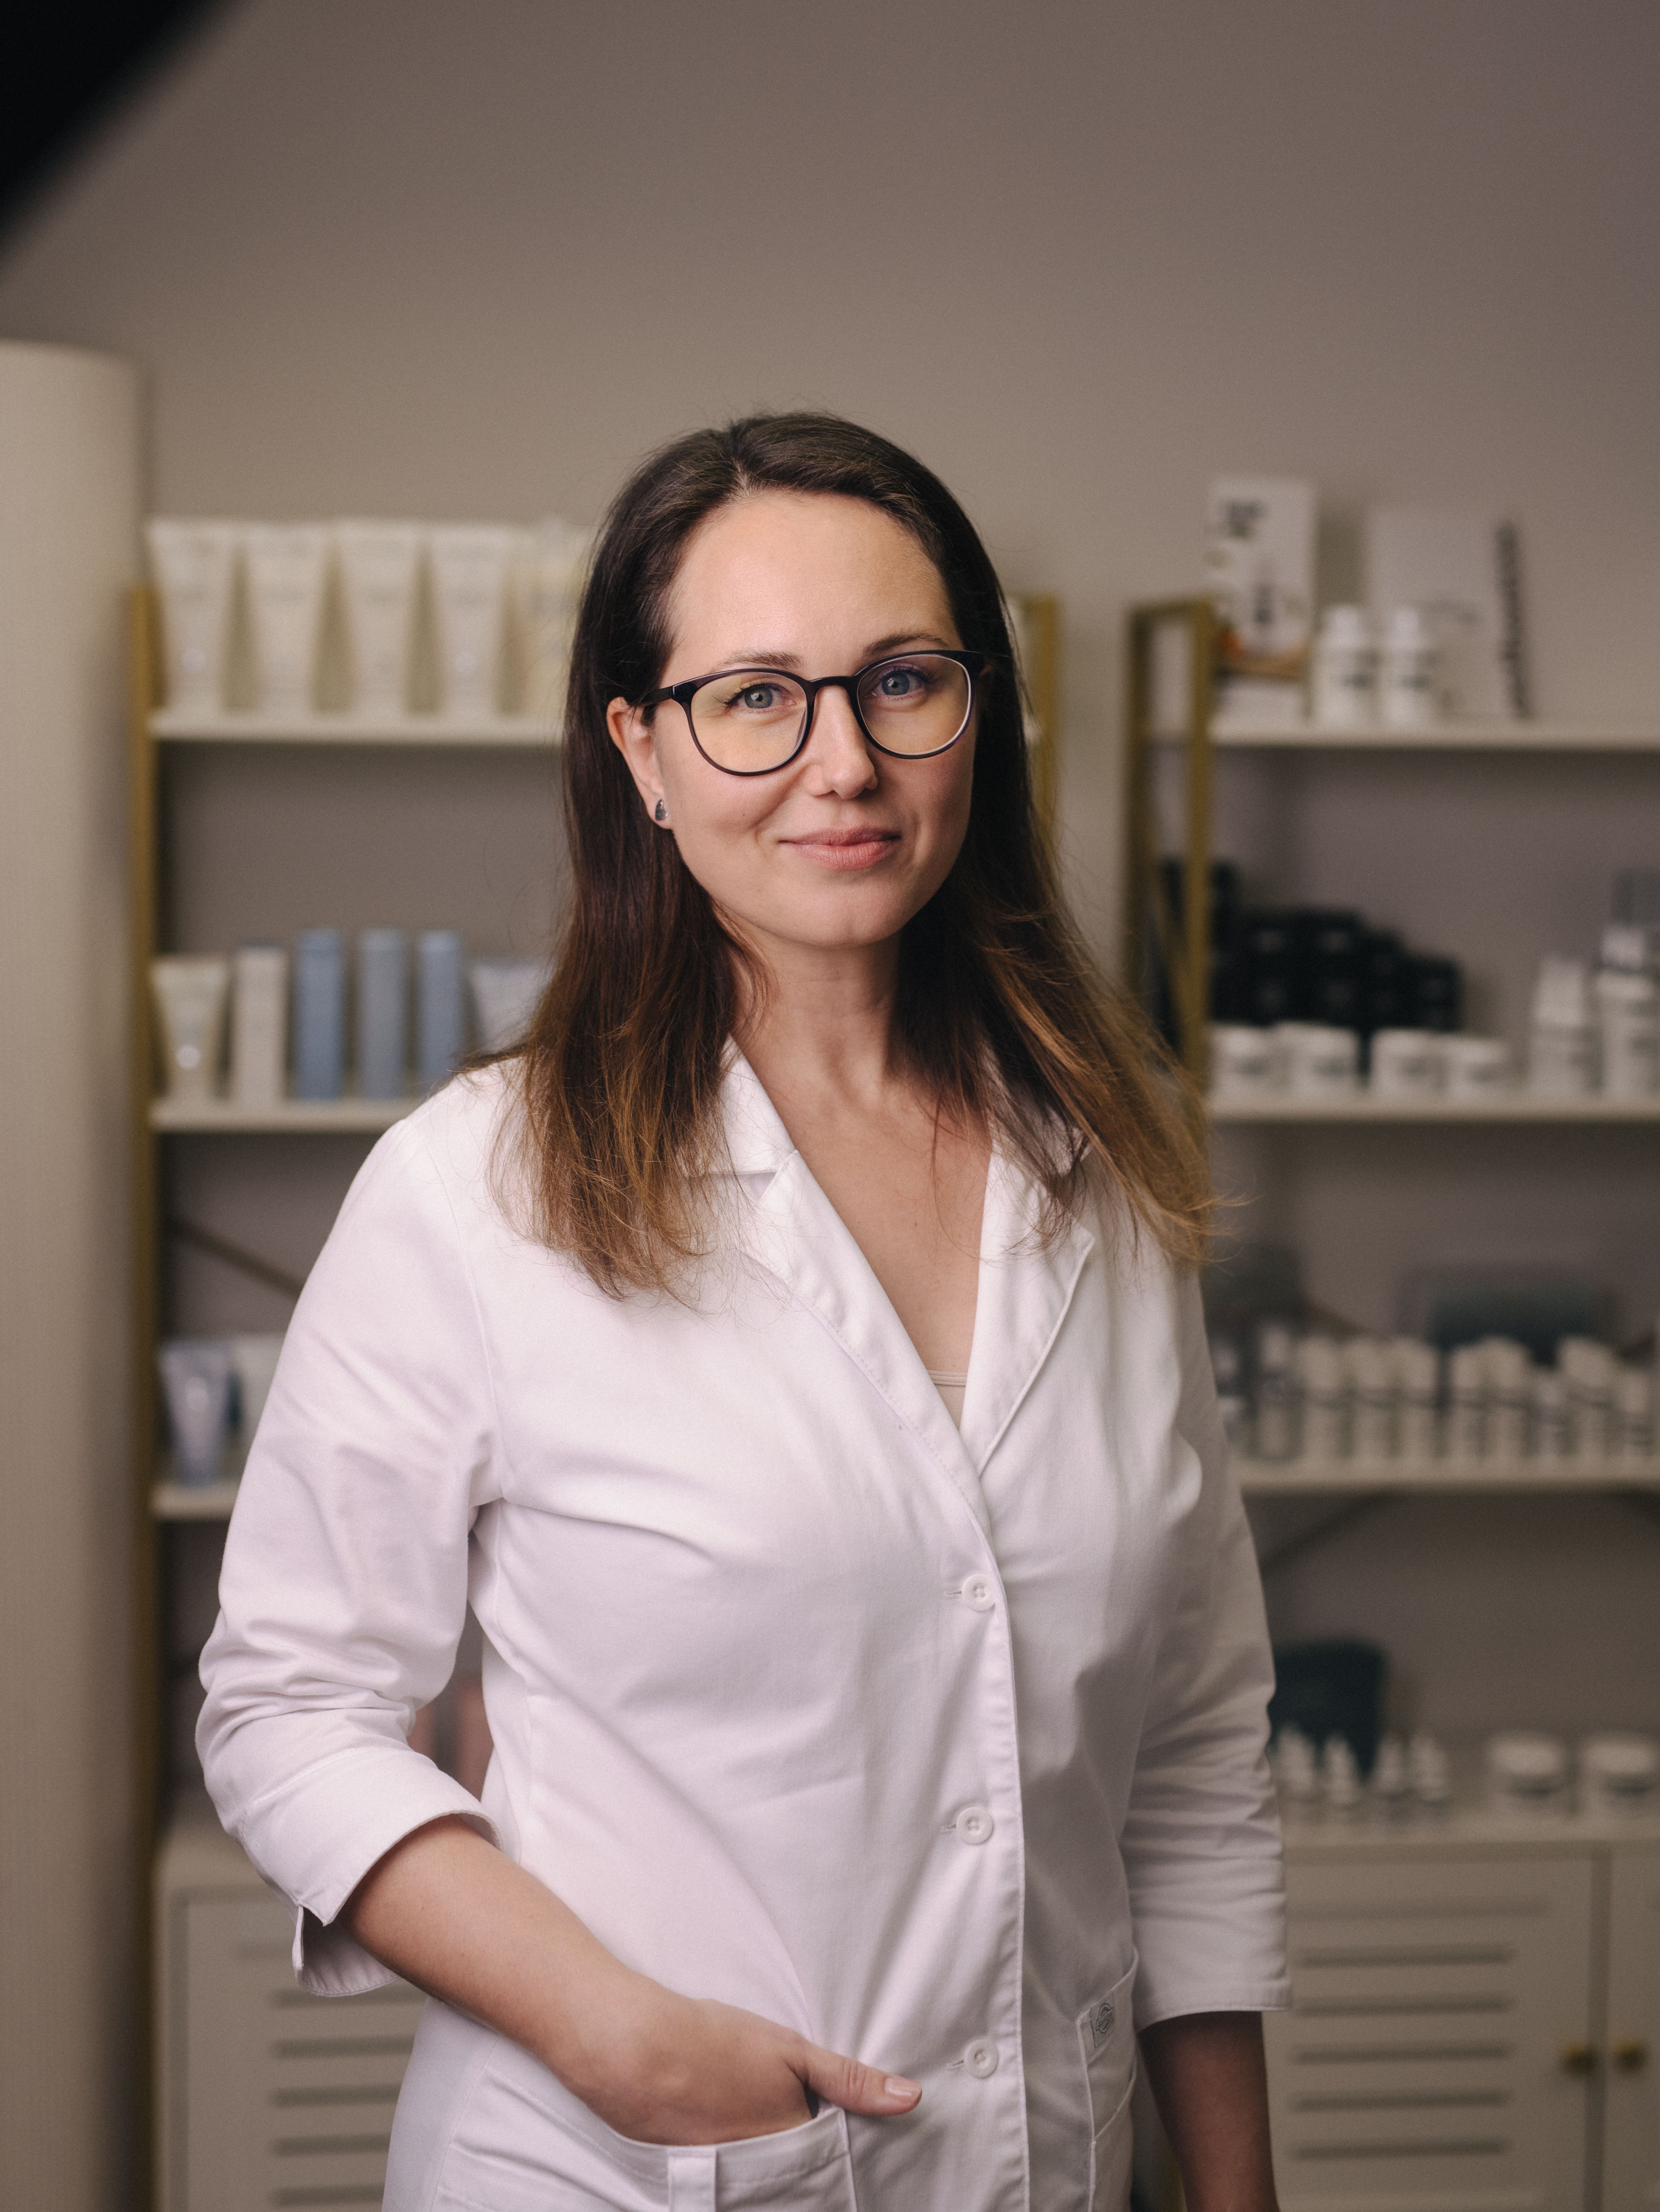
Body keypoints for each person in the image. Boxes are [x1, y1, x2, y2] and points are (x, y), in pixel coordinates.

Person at [198, 413, 1288, 2212]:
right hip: (618, 2164)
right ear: (640, 749)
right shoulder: (478, 1188)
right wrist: (608, 2030)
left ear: (980, 715)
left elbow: (1187, 1750)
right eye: (756, 697)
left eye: (902, 682)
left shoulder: (1103, 1169)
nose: (841, 763)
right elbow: (285, 1708)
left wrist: (1238, 2198)